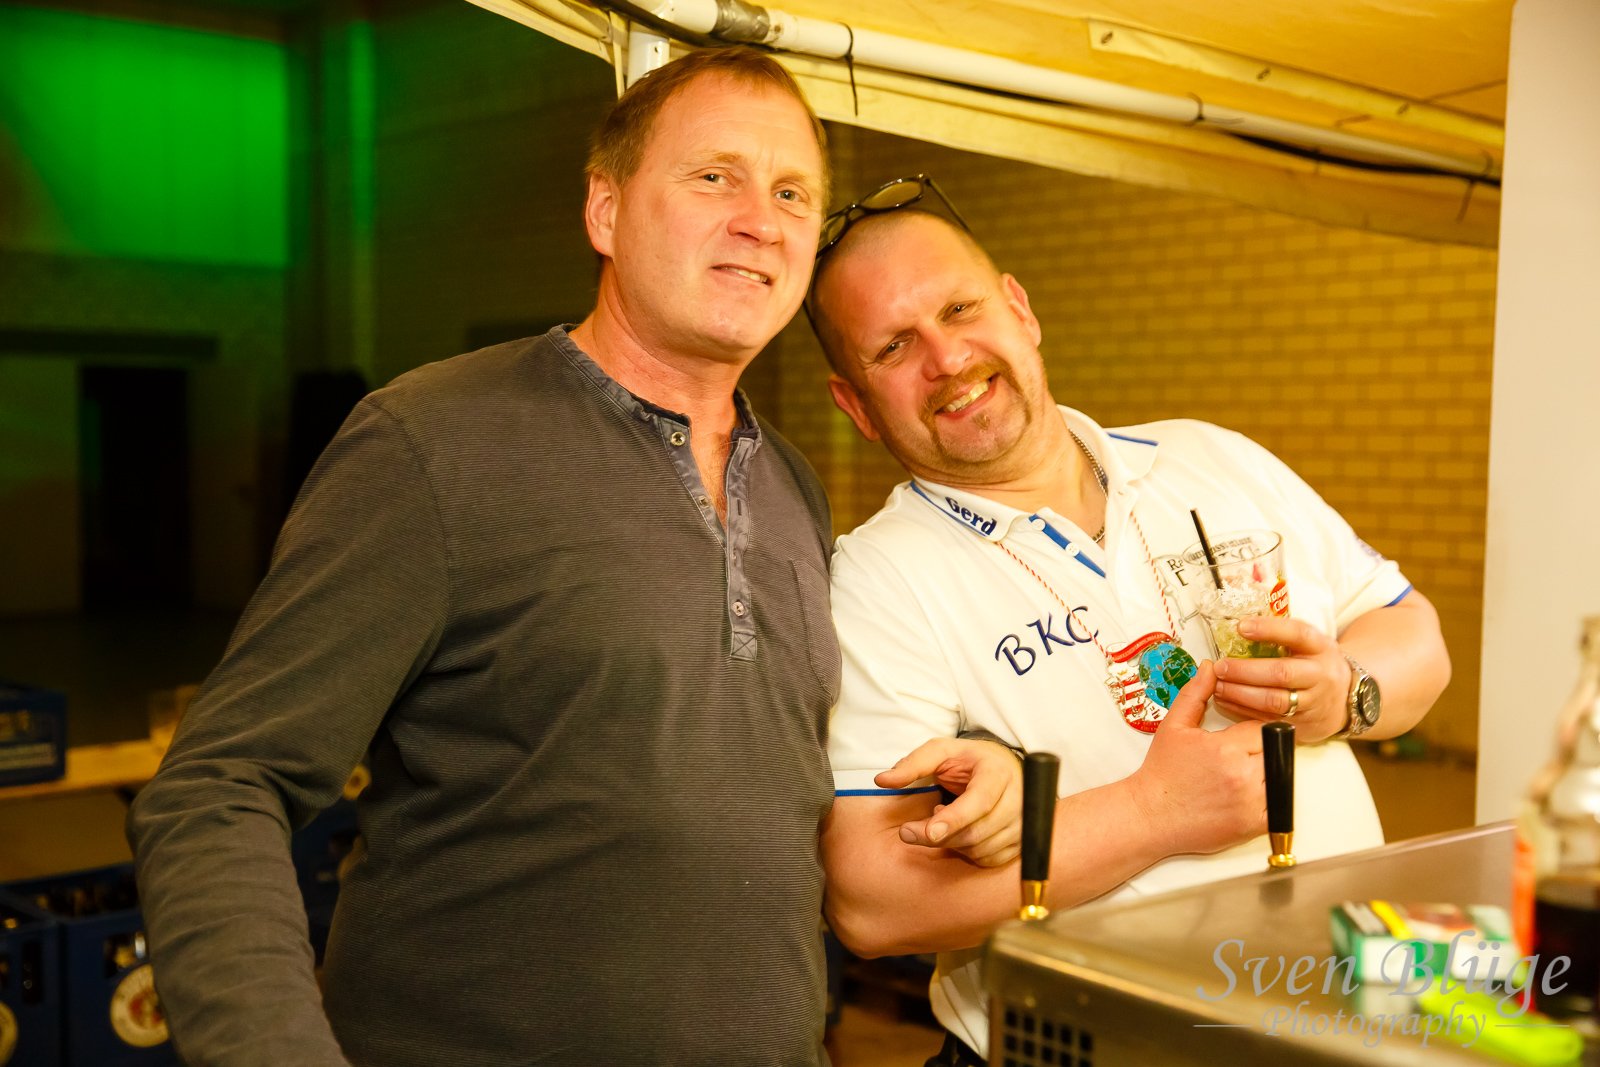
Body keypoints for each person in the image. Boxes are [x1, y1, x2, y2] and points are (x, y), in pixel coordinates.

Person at [126, 58, 1019, 1067]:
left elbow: (776, 782)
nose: (761, 223)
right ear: (605, 209)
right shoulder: (435, 443)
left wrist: (976, 767)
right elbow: (220, 785)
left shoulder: (793, 488)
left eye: (791, 195)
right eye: (714, 177)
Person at [805, 183, 1453, 1066]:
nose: (948, 356)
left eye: (960, 308)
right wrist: (1155, 812)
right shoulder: (877, 578)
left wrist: (1347, 690)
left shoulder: (1208, 456)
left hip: (1344, 1019)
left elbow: (1412, 630)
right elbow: (871, 903)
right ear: (854, 404)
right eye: (894, 345)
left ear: (1020, 309)